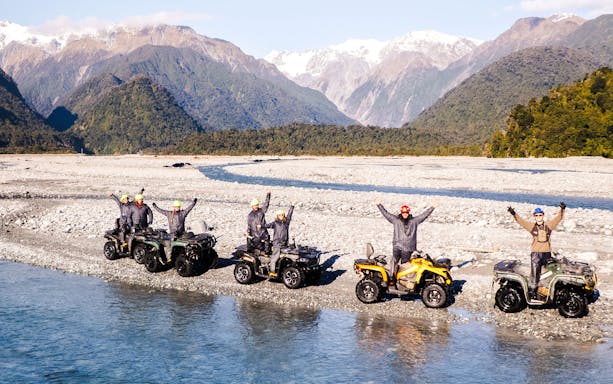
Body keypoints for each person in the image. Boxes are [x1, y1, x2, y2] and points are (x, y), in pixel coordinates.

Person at [507, 202, 566, 300]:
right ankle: (532, 293)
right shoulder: (531, 226)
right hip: (536, 254)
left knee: (550, 273)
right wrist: (514, 214)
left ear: (543, 215)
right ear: (534, 216)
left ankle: (547, 292)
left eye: (540, 215)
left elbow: (558, 218)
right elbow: (521, 222)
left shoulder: (549, 226)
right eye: (537, 215)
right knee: (535, 275)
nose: (538, 217)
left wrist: (562, 209)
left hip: (547, 253)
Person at [374, 196, 438, 285]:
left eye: (406, 212)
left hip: (408, 248)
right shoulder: (396, 220)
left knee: (405, 266)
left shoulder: (414, 221)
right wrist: (379, 205)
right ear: (401, 212)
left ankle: (403, 282)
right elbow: (386, 214)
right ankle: (392, 280)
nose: (405, 214)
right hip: (397, 246)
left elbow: (424, 215)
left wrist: (433, 207)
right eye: (403, 212)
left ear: (408, 212)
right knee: (394, 263)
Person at [265, 203, 295, 278]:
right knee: (274, 258)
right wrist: (261, 226)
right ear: (277, 216)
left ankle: (283, 270)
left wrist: (292, 206)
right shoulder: (275, 223)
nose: (281, 216)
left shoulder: (286, 223)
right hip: (277, 244)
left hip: (284, 244)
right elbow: (267, 225)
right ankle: (272, 272)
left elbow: (289, 215)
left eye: (282, 215)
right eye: (280, 215)